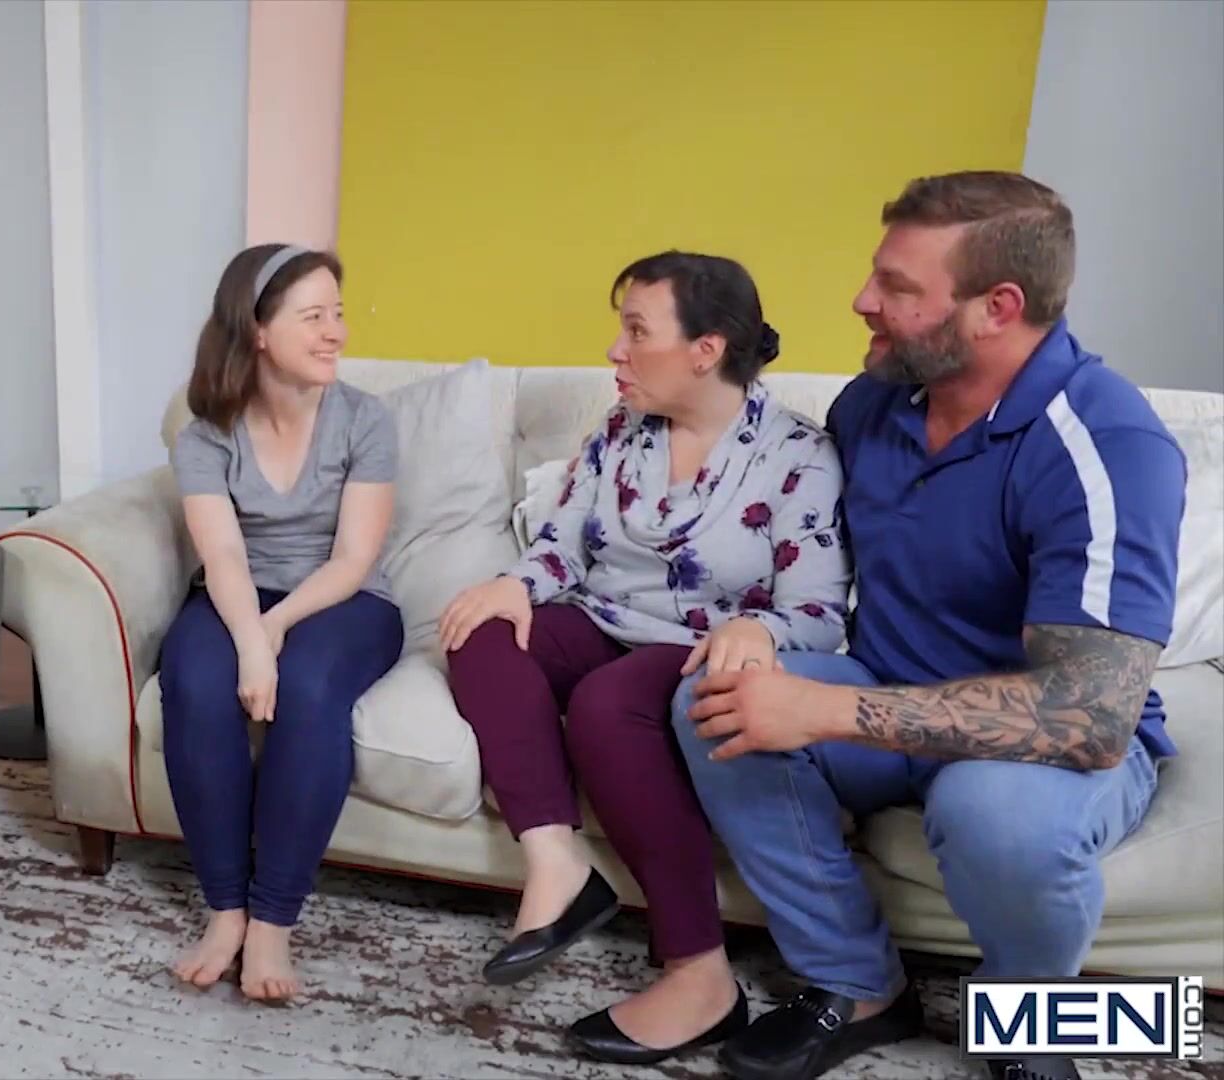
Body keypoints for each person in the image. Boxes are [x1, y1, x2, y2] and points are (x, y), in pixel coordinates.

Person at [673, 171, 1186, 1080]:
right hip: (887, 687)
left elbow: (1093, 718)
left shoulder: (1109, 443)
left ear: (998, 308)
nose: (862, 300)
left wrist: (827, 712)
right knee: (714, 701)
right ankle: (858, 985)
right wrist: (760, 633)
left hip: (1044, 747)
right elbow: (793, 552)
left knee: (992, 811)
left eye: (898, 287)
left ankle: (1034, 1023)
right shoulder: (873, 404)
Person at [438, 251, 852, 1063]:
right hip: (605, 618)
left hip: (700, 647)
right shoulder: (619, 431)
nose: (614, 351)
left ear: (706, 349)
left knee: (608, 701)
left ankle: (701, 975)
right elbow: (561, 546)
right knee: (477, 628)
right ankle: (556, 864)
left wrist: (762, 632)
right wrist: (516, 584)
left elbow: (817, 612)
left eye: (636, 331)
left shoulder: (801, 456)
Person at [158, 243, 403, 1003]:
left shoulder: (366, 419)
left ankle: (272, 919)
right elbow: (224, 555)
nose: (336, 332)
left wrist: (274, 633)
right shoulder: (206, 434)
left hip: (345, 601)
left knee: (307, 685)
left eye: (338, 313)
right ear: (258, 331)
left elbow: (353, 558)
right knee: (193, 682)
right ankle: (226, 911)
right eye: (314, 316)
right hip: (238, 591)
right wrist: (247, 636)